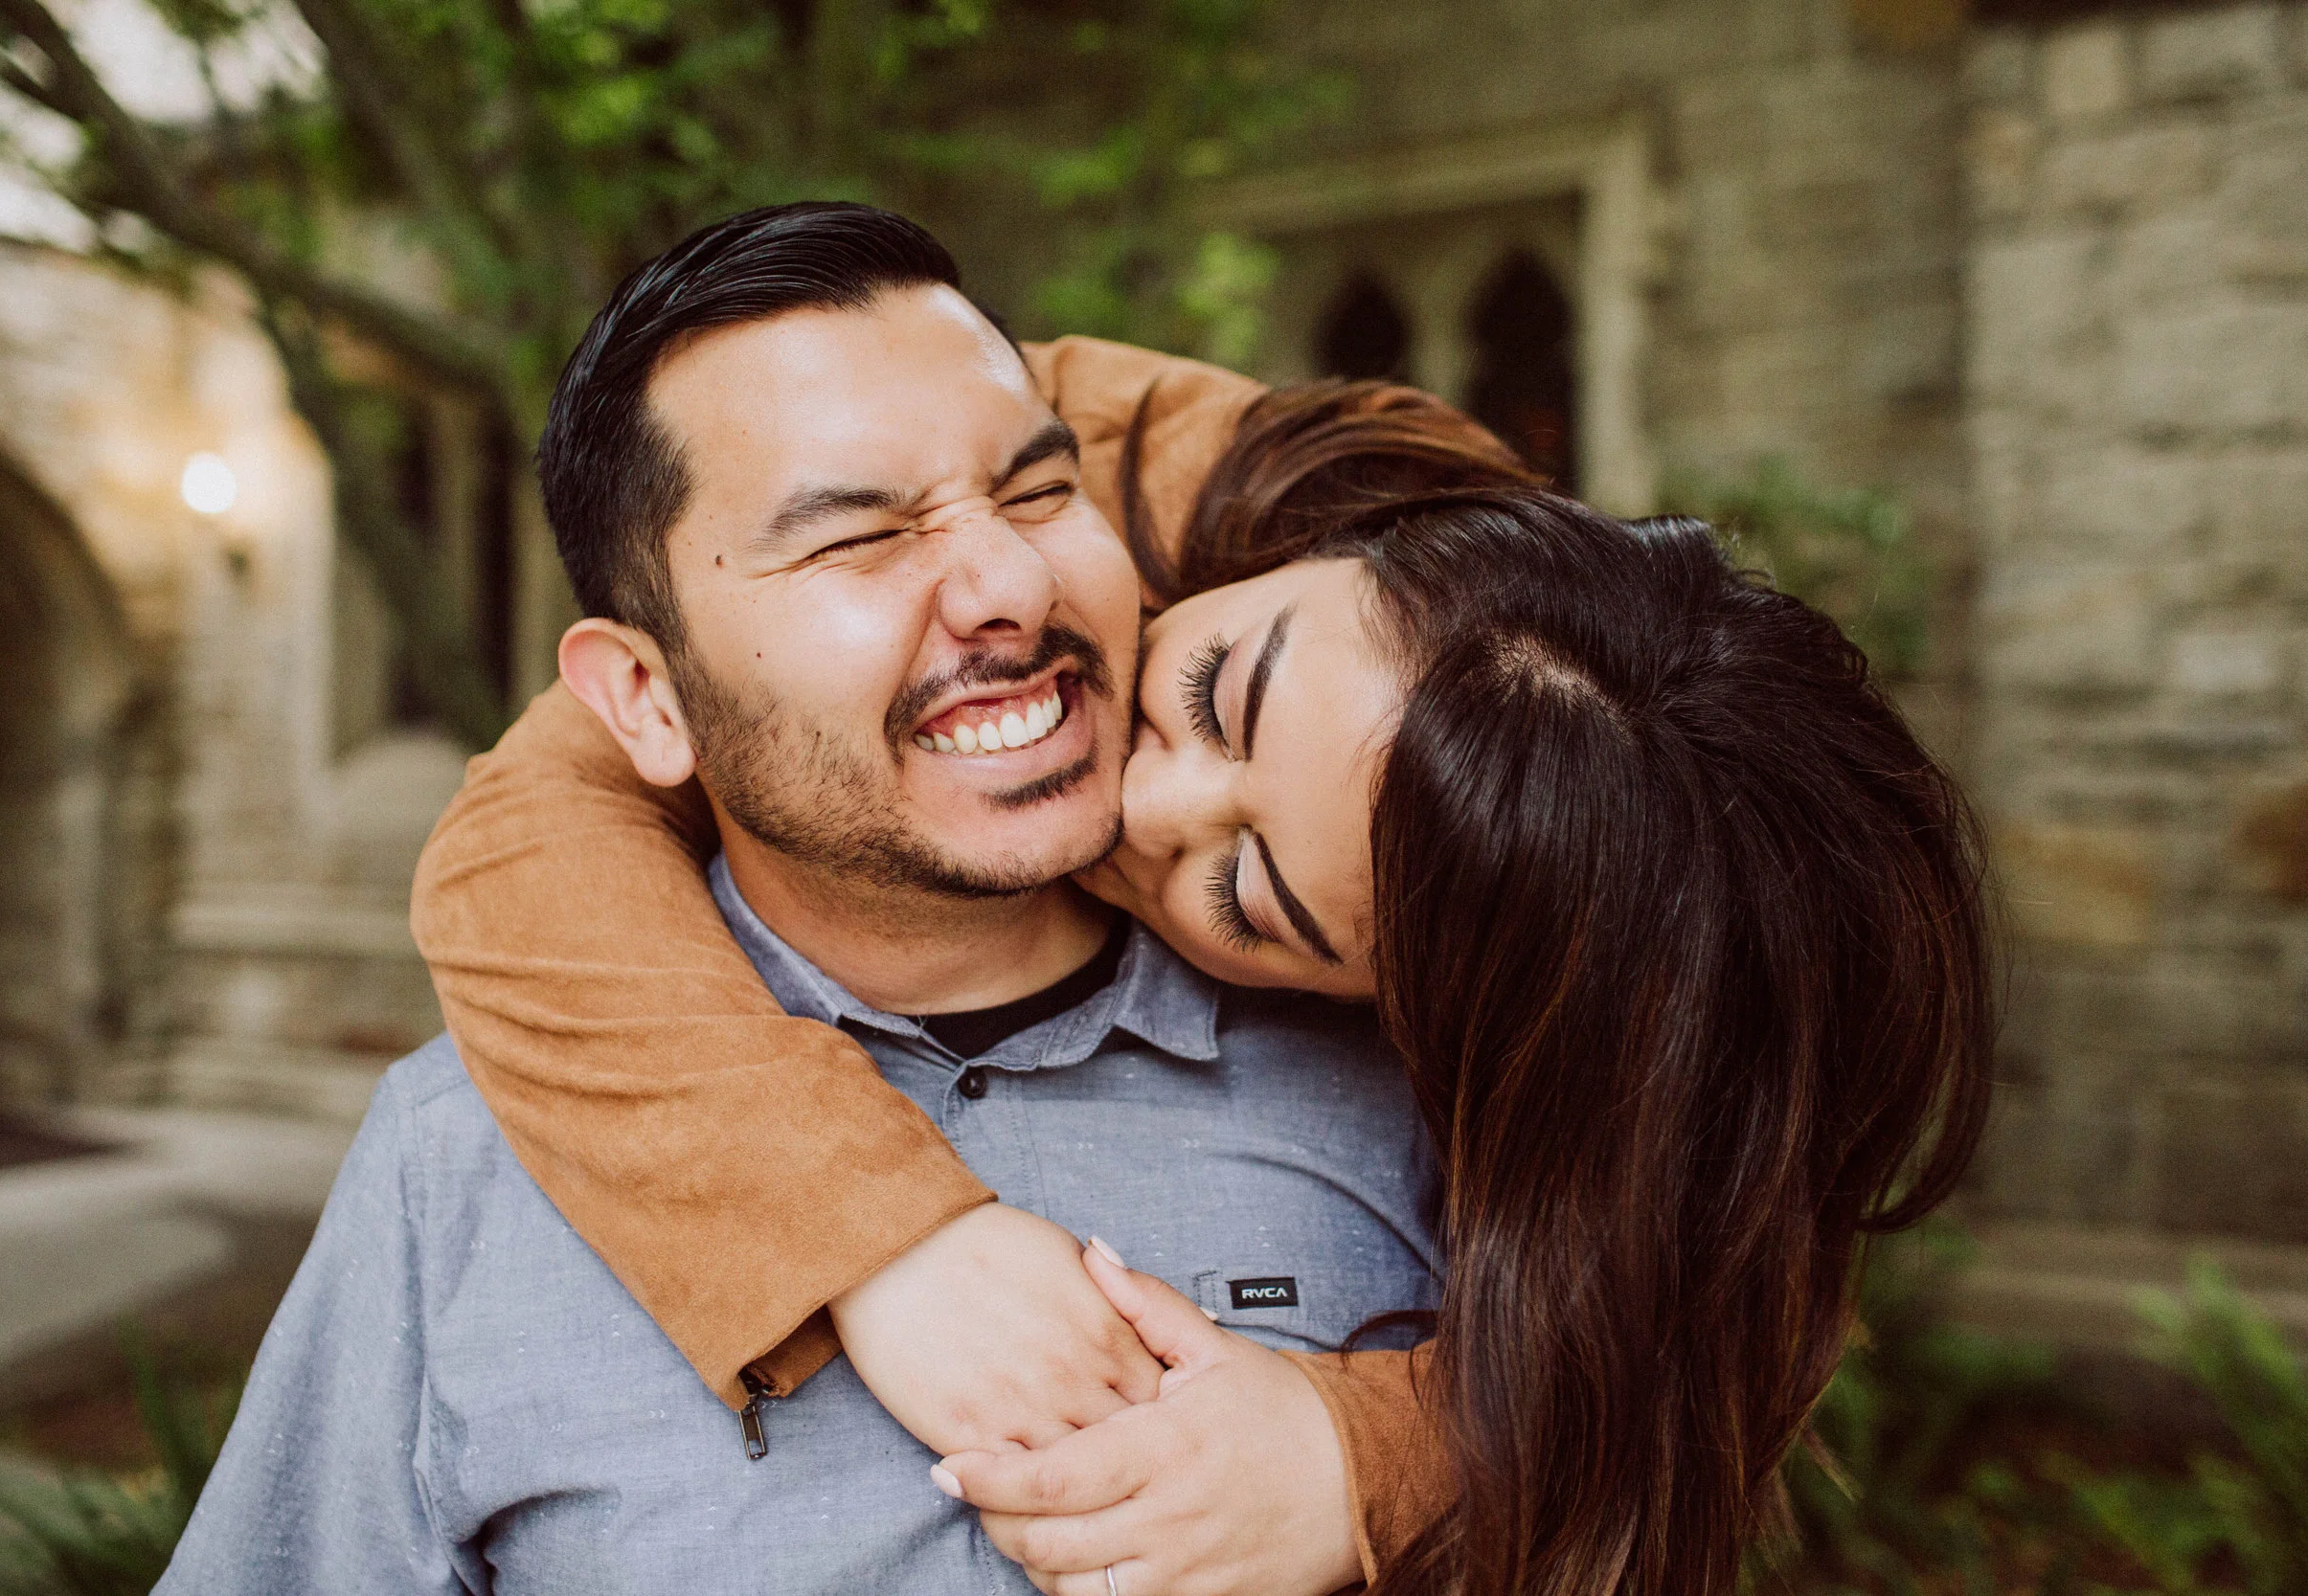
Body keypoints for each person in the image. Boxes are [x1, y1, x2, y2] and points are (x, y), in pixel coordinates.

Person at [401, 214, 1998, 1593]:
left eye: (1249, 886)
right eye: (1223, 689)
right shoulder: (1089, 457)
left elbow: (1696, 1293)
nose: (1138, 806)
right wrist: (881, 1236)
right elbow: (525, 831)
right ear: (1322, 547)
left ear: (1376, 998)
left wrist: (1369, 1451)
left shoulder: (1438, 1099)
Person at [160, 202, 1446, 1596]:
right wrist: (864, 1226)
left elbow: (1676, 1382)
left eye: (1035, 493)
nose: (1008, 583)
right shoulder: (453, 1164)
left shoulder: (1413, 1068)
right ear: (648, 700)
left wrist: (1385, 1457)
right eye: (859, 539)